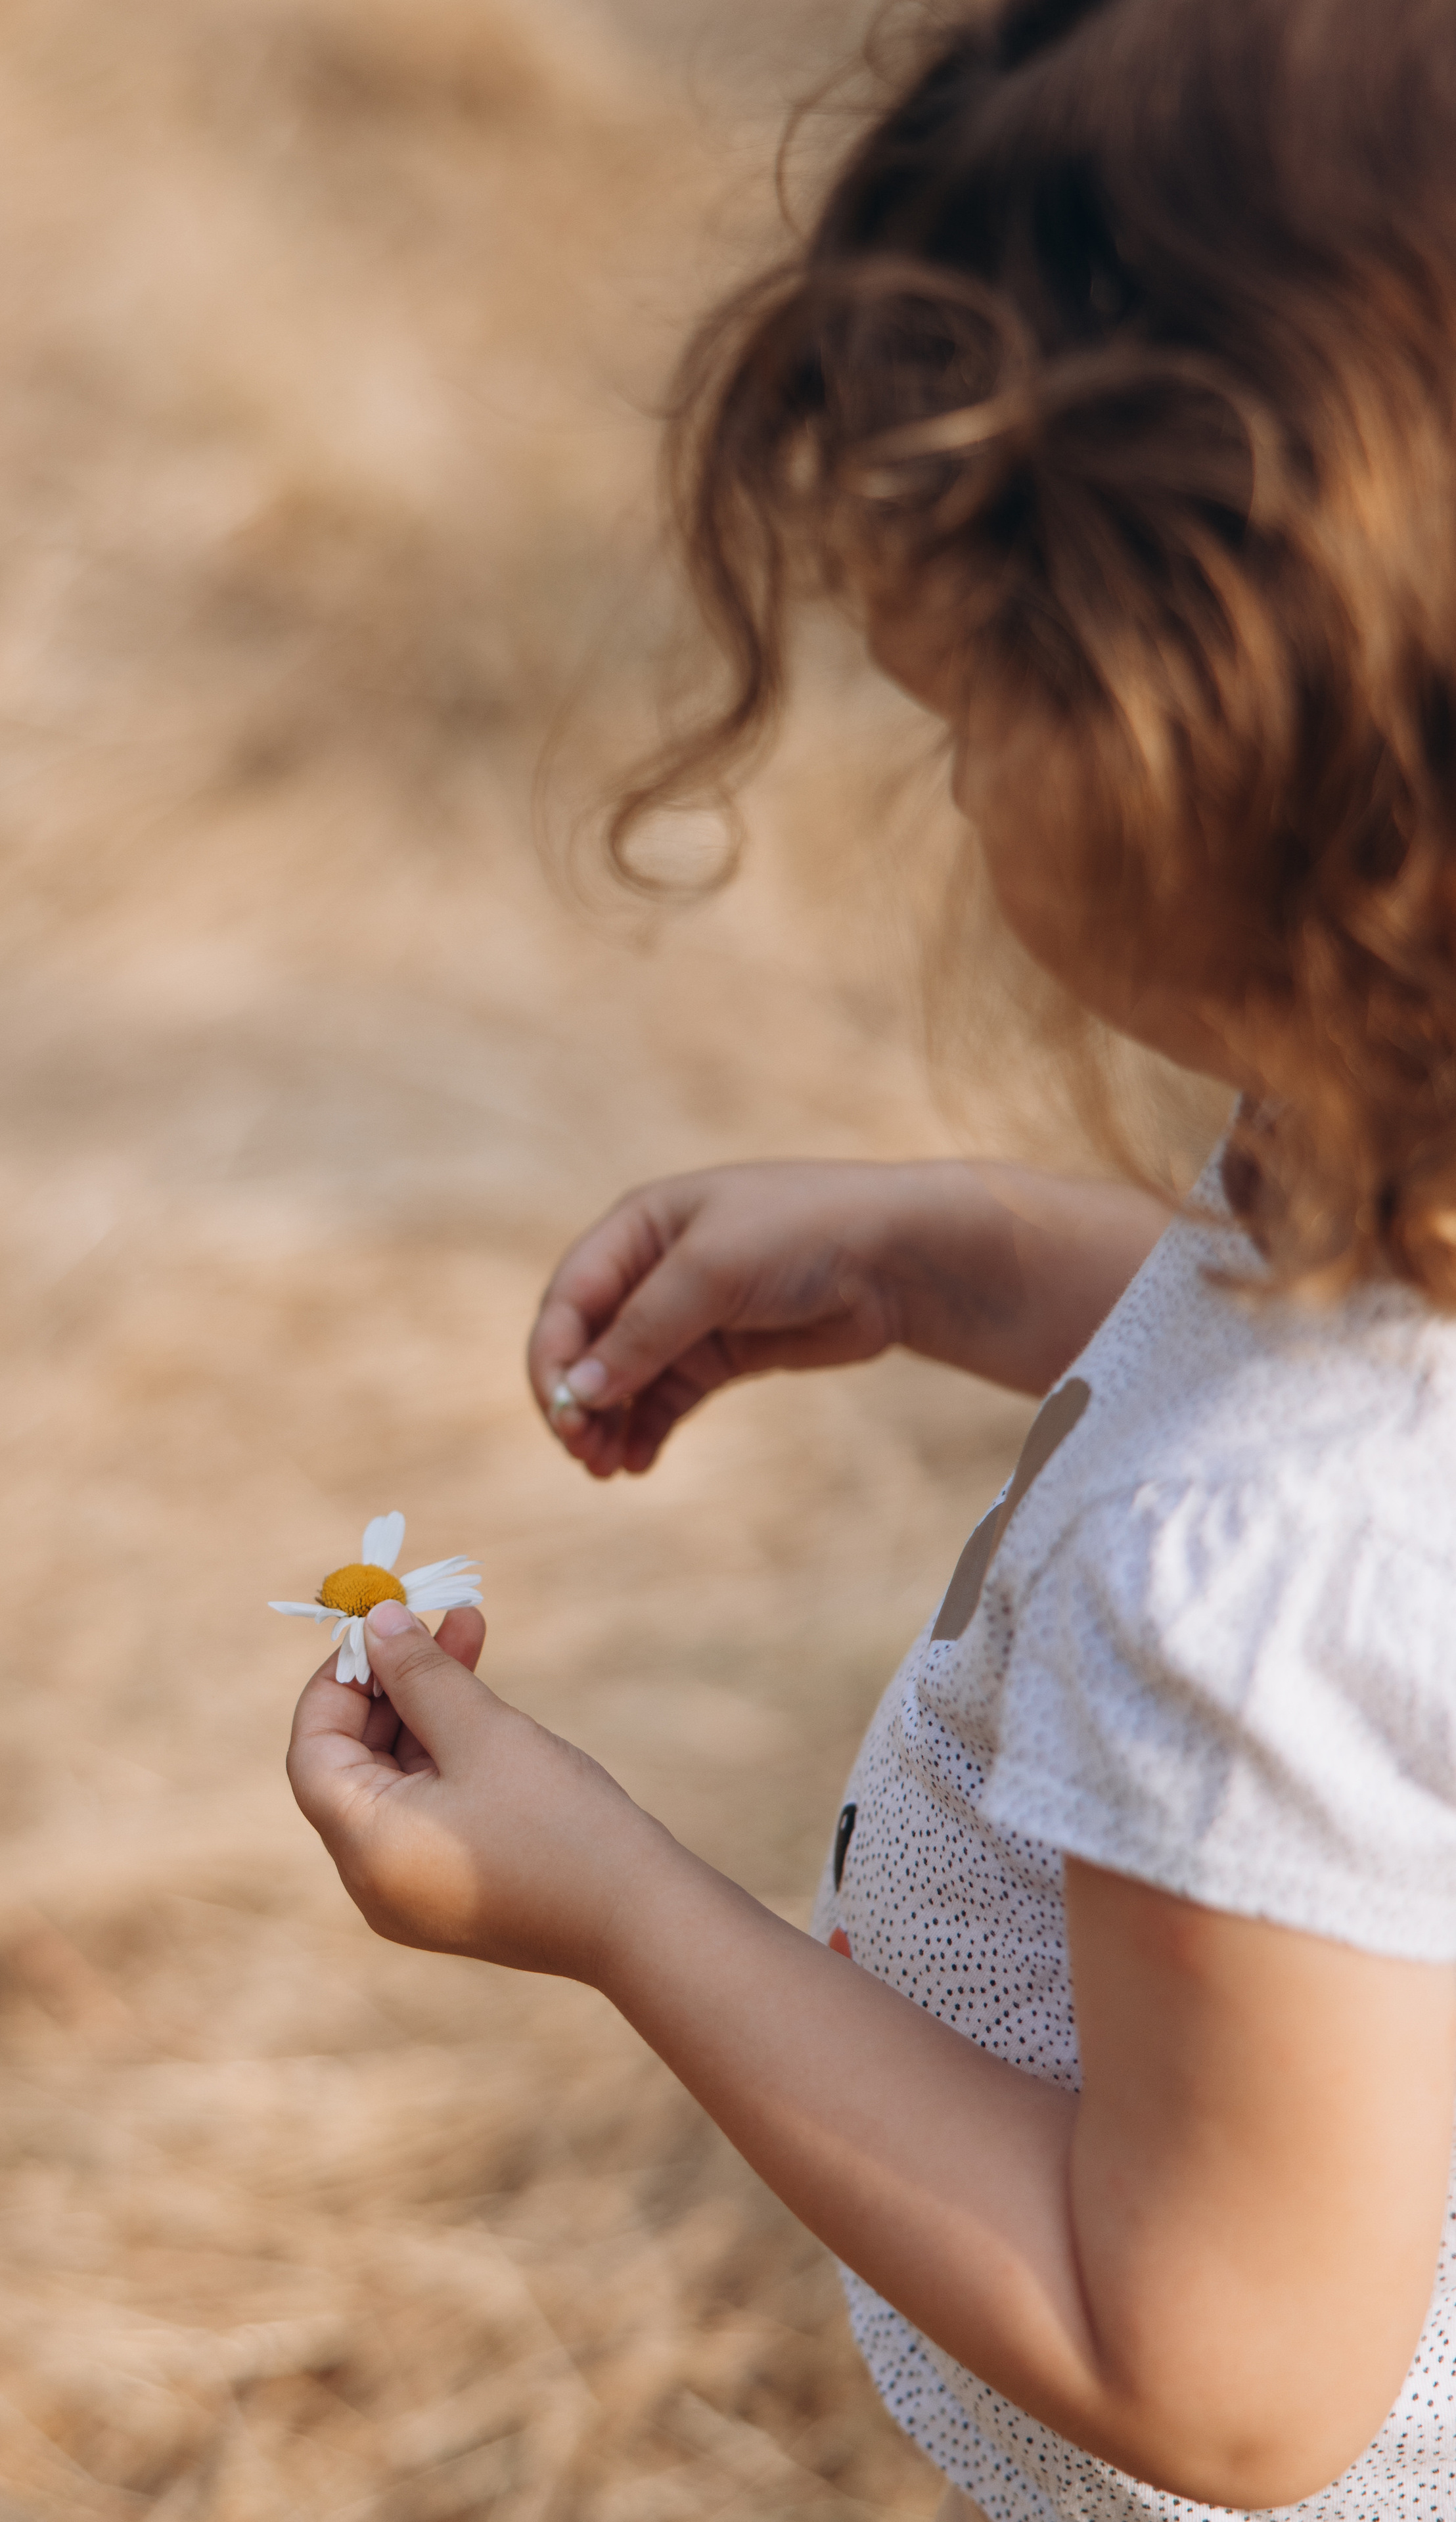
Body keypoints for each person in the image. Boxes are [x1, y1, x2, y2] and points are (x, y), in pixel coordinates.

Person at [286, 1, 1456, 2513]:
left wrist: (608, 1900)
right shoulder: (1406, 1166)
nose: (950, 783)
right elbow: (1356, 1367)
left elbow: (1222, 2373)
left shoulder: (1239, 1578)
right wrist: (961, 1254)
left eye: (971, 718)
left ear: (1207, 750)